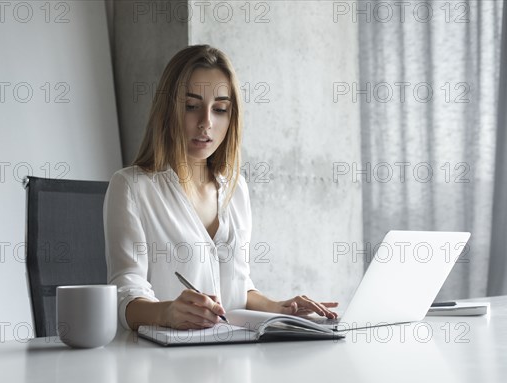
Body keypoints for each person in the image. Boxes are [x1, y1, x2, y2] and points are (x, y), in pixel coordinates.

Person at [104, 45, 338, 331]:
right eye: (191, 107)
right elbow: (126, 295)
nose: (206, 123)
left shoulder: (235, 189)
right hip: (163, 363)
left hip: (231, 358)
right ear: (168, 109)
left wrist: (282, 308)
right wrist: (167, 313)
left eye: (220, 109)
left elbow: (238, 288)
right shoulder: (132, 188)